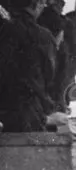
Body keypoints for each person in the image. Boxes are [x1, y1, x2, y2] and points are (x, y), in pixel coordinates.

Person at [0, 0, 57, 133]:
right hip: (29, 112)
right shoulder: (44, 37)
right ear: (36, 5)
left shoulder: (3, 32)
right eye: (43, 3)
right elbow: (49, 76)